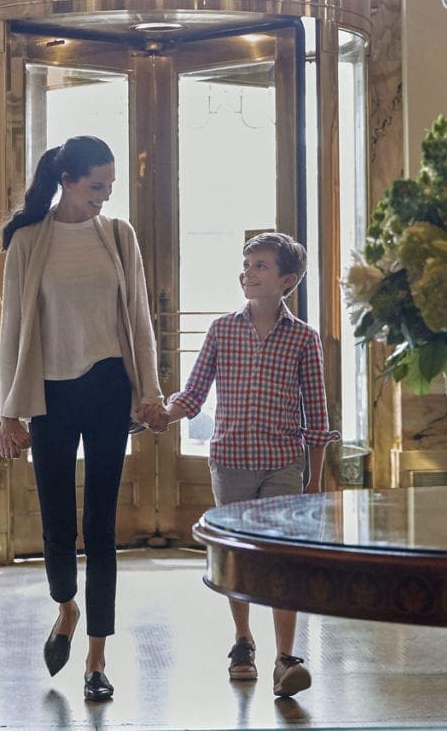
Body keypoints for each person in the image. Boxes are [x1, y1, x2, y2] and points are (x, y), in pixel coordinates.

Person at [0, 135, 164, 703]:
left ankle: (96, 657)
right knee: (56, 520)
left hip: (109, 386)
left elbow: (138, 314)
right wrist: (10, 412)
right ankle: (65, 605)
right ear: (67, 179)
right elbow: (13, 327)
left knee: (101, 526)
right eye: (96, 186)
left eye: (109, 188)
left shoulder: (118, 235)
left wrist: (149, 391)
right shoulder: (28, 240)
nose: (103, 196)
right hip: (50, 393)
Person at [159, 232, 339, 698]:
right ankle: (243, 641)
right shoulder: (222, 330)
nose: (248, 272)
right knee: (237, 557)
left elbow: (317, 416)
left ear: (288, 280)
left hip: (282, 463)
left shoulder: (303, 338)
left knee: (281, 558)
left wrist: (314, 477)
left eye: (260, 265)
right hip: (231, 461)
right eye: (246, 264)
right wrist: (163, 412)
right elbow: (194, 394)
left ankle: (286, 656)